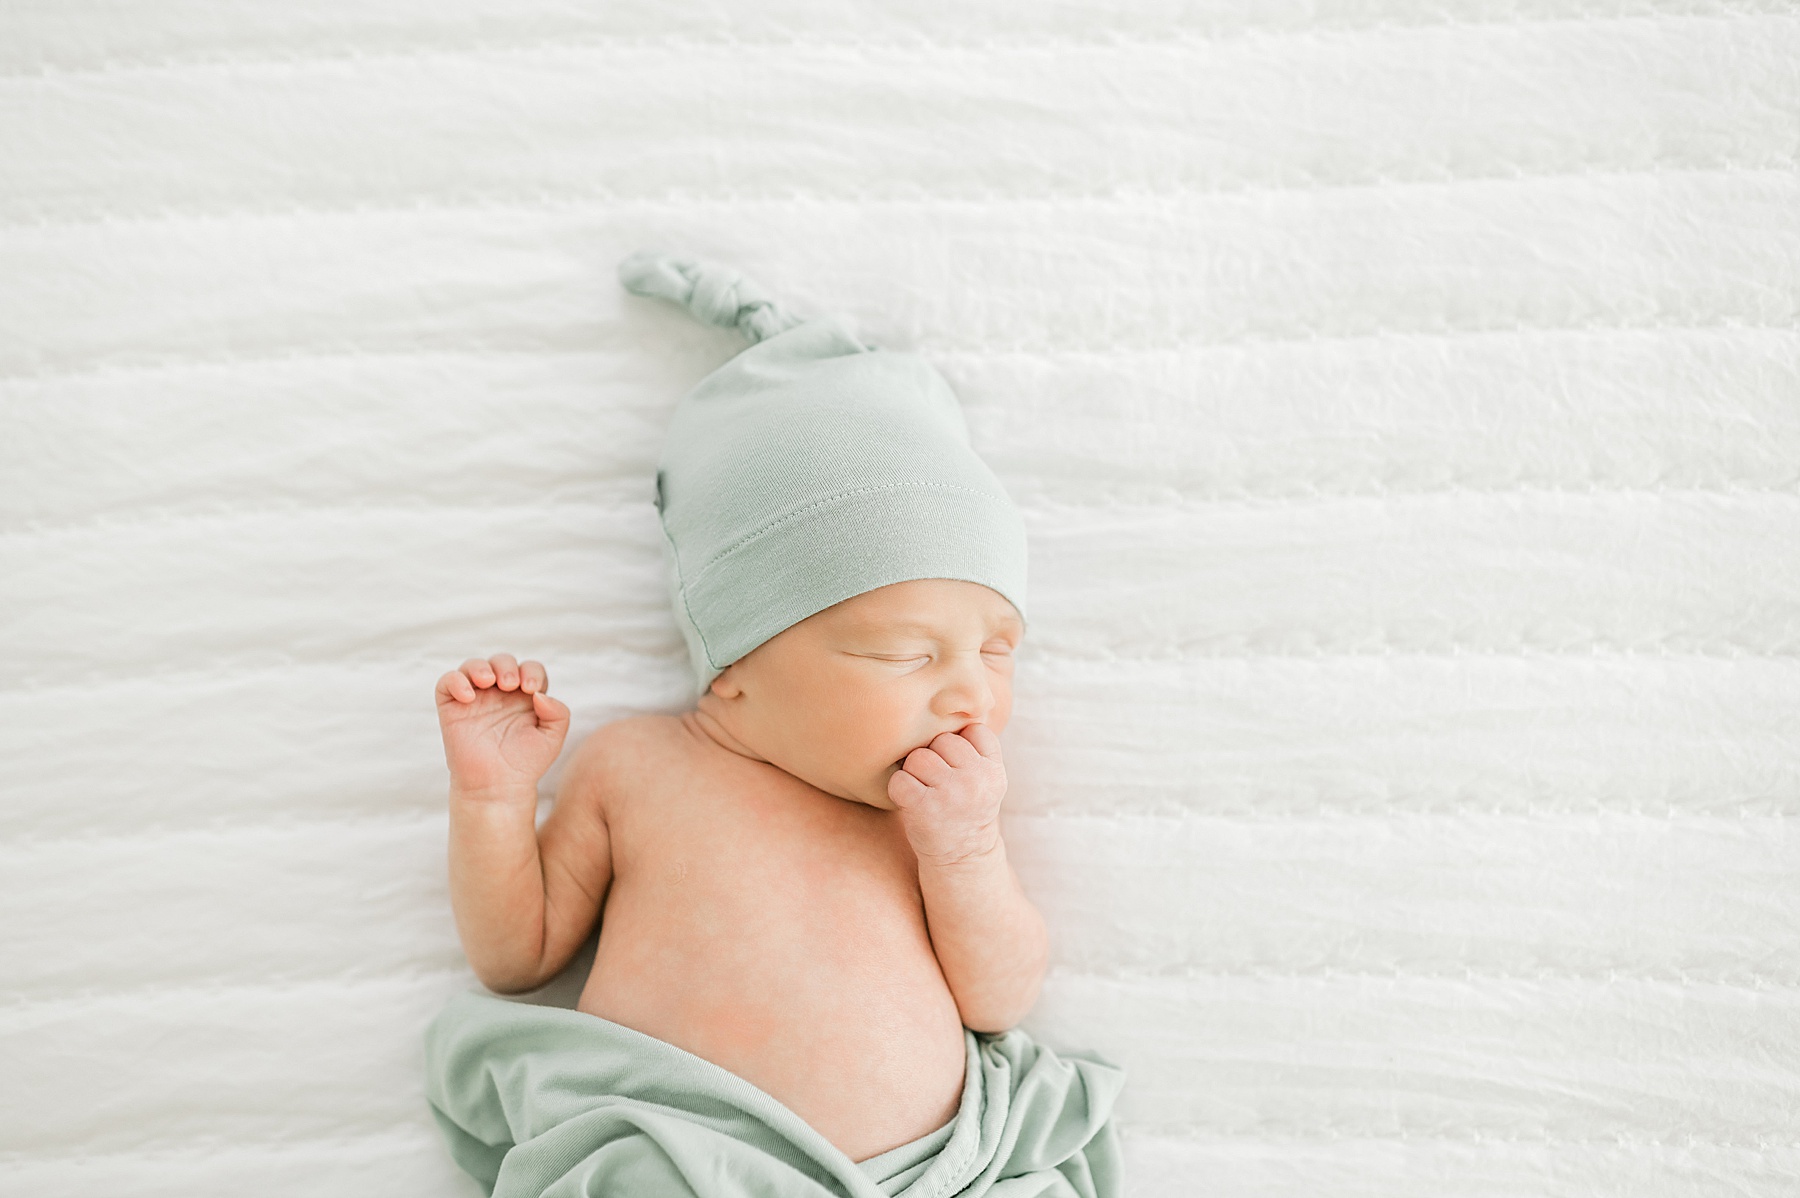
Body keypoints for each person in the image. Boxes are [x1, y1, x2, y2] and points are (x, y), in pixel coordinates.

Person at [425, 252, 1124, 1198]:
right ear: (739, 660)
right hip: (679, 1163)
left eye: (998, 652)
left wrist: (963, 854)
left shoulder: (924, 819)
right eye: (906, 655)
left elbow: (998, 1002)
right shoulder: (635, 768)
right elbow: (518, 958)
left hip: (924, 1178)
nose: (970, 695)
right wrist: (493, 800)